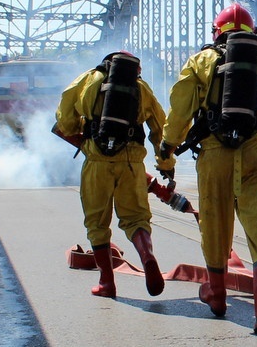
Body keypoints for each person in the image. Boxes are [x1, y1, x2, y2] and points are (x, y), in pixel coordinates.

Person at [160, 3, 257, 336]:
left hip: (214, 155)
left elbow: (179, 110)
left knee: (214, 227)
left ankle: (216, 296)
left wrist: (167, 151)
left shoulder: (200, 63)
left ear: (216, 33)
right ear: (252, 34)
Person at [55, 51, 175, 299]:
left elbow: (65, 116)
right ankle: (147, 256)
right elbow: (159, 127)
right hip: (131, 162)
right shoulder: (141, 88)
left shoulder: (88, 80)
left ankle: (107, 283)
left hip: (97, 161)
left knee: (97, 224)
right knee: (136, 219)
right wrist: (165, 162)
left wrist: (77, 128)